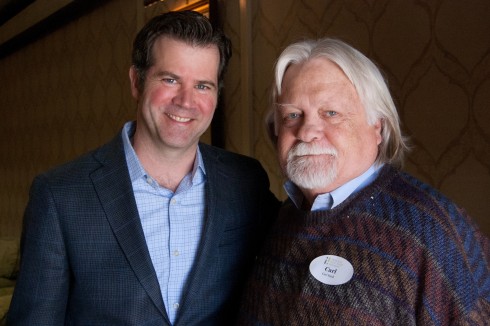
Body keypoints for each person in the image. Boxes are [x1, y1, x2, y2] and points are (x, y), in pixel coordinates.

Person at [7, 11, 279, 325]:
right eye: (170, 79)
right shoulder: (60, 196)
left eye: (203, 86)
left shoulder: (244, 181)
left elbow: (298, 243)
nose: (186, 101)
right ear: (137, 82)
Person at [239, 38, 490, 325]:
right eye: (293, 115)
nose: (307, 131)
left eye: (330, 113)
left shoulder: (432, 231)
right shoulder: (280, 218)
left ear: (378, 127)